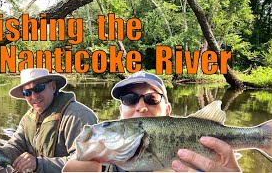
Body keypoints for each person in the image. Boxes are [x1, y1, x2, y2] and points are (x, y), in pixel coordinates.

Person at [63, 71, 241, 172]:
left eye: (152, 98)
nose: (141, 107)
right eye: (130, 98)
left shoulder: (202, 167)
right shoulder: (103, 163)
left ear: (168, 111)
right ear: (120, 113)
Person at [0, 68, 98, 173]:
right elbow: (16, 146)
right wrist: (0, 152)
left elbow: (87, 164)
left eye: (39, 88)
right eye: (27, 92)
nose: (34, 96)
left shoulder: (78, 116)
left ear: (53, 87)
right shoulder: (28, 118)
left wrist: (38, 164)